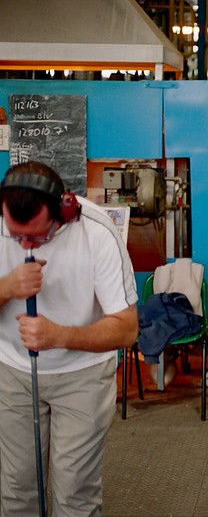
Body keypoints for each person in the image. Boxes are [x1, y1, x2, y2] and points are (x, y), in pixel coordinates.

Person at [0, 161, 139, 515]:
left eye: (37, 236)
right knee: (17, 490)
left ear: (64, 211)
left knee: (74, 494)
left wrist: (58, 335)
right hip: (14, 372)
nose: (26, 245)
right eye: (16, 236)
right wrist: (7, 287)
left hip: (83, 375)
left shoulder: (96, 232)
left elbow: (126, 328)